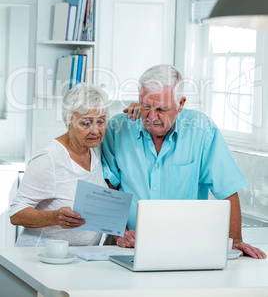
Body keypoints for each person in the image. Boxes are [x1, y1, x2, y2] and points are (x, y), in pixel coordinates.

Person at [102, 64, 266, 259]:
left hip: (187, 246)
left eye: (162, 109)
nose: (152, 117)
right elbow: (108, 188)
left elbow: (227, 189)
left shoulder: (202, 131)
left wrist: (235, 240)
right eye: (146, 106)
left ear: (181, 104)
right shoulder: (117, 128)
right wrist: (119, 231)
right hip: (126, 243)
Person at [9, 83, 109, 246]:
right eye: (86, 123)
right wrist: (54, 217)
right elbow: (16, 214)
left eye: (101, 122)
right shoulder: (49, 158)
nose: (96, 131)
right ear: (68, 121)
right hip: (41, 258)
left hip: (80, 258)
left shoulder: (95, 150)